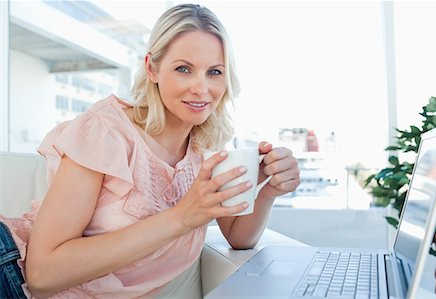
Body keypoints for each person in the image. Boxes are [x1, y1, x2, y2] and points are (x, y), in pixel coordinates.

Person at [0, 3, 300, 298]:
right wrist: (183, 217)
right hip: (11, 272)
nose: (201, 87)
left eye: (215, 72)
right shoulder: (106, 131)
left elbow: (238, 237)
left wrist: (266, 191)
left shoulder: (207, 148)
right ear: (152, 68)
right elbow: (42, 274)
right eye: (184, 69)